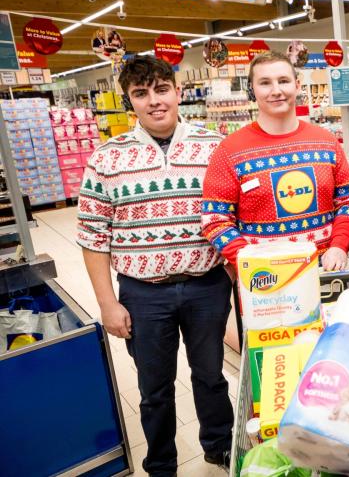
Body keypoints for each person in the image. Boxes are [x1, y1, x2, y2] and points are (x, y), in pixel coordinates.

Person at [77, 56, 233, 477]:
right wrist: (108, 304)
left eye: (161, 89)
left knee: (211, 376)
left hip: (207, 285)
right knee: (154, 389)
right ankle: (161, 464)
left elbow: (234, 217)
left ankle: (220, 446)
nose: (154, 101)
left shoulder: (215, 146)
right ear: (131, 102)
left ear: (178, 92)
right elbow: (93, 239)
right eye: (141, 94)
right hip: (144, 293)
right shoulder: (106, 158)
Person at [202, 52, 349, 271]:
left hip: (323, 271)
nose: (276, 90)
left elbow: (347, 201)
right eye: (265, 83)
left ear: (297, 84)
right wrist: (251, 263)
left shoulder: (326, 142)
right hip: (263, 281)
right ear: (252, 90)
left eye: (283, 81)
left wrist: (339, 246)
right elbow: (215, 218)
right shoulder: (229, 151)